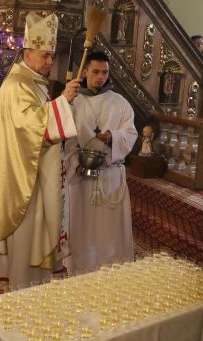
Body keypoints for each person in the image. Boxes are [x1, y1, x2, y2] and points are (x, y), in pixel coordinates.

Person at [0, 12, 81, 291]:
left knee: (36, 229)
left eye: (52, 55)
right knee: (27, 232)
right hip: (22, 179)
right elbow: (29, 126)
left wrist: (61, 105)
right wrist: (62, 103)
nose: (51, 62)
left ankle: (33, 284)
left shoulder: (31, 81)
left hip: (35, 170)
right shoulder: (17, 85)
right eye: (45, 56)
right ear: (27, 53)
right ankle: (21, 286)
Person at [63, 51, 137, 274]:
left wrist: (113, 136)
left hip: (110, 175)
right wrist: (75, 163)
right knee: (82, 229)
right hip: (80, 176)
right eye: (95, 72)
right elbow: (67, 138)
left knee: (108, 231)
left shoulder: (120, 102)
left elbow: (131, 133)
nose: (100, 77)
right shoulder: (74, 100)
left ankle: (110, 272)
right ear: (85, 72)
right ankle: (79, 270)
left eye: (105, 72)